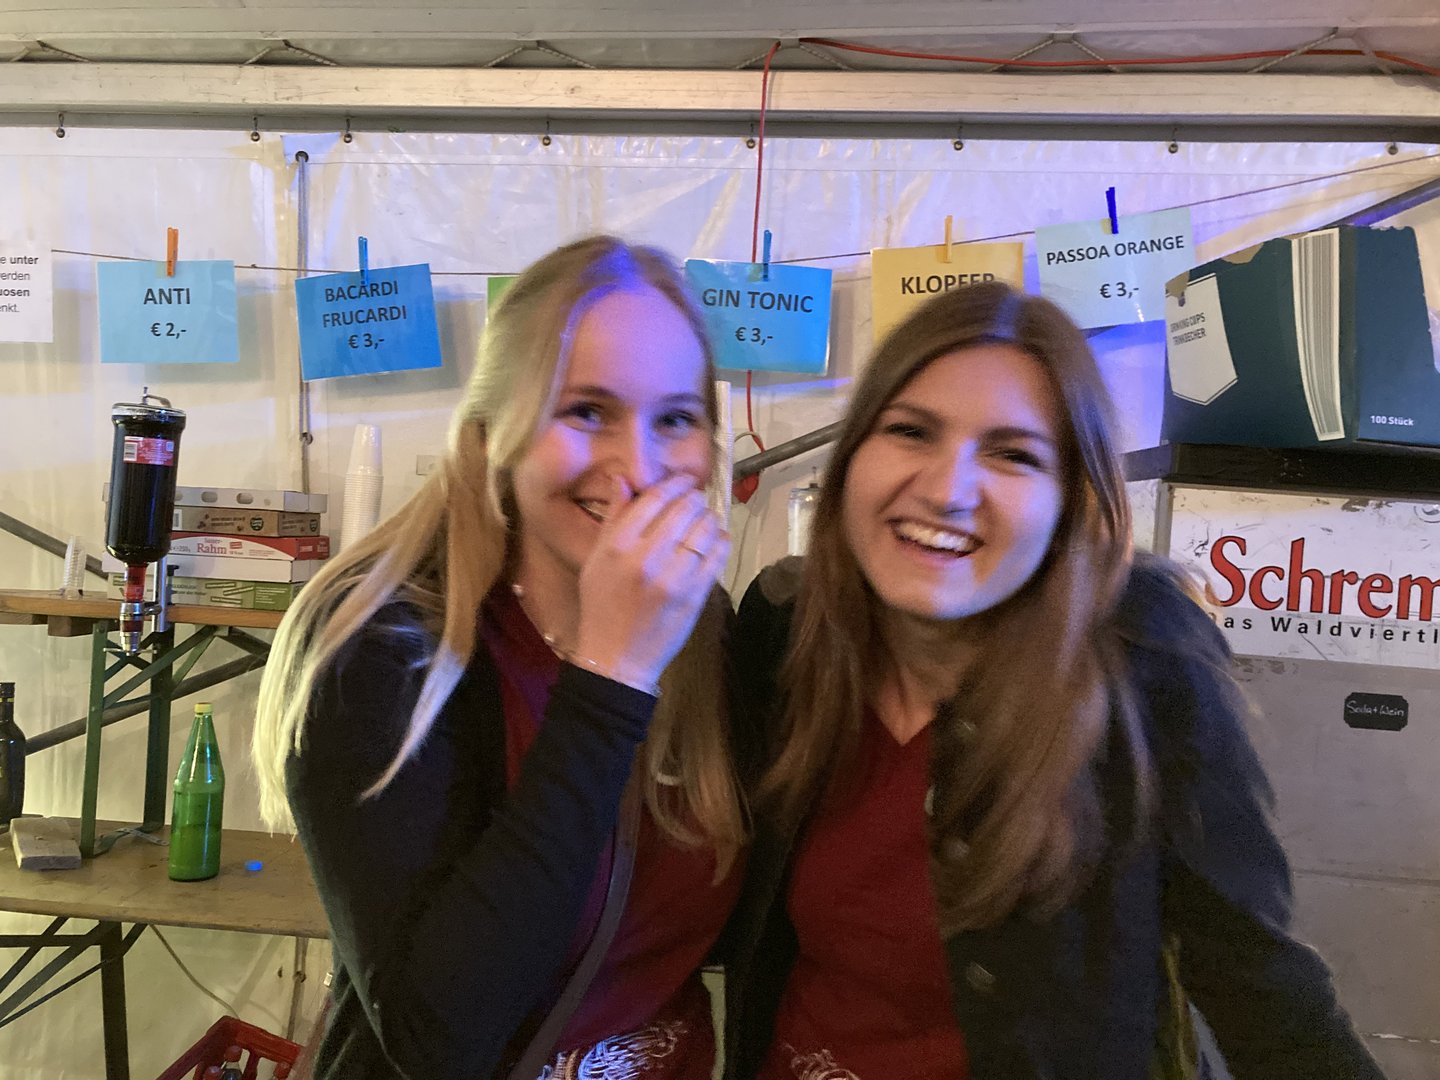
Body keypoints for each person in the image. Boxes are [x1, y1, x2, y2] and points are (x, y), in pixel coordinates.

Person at [723, 281, 1386, 1080]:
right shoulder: (783, 633)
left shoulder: (1143, 654)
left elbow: (1258, 982)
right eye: (910, 431)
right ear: (852, 457)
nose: (946, 489)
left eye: (1013, 454)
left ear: (1071, 501)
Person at [253, 236, 745, 1080]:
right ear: (492, 437)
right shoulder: (380, 646)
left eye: (674, 418)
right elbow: (434, 1039)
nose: (639, 467)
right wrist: (612, 676)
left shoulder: (706, 633)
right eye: (585, 411)